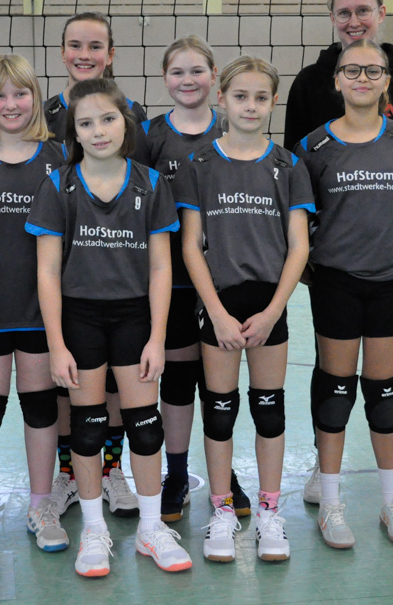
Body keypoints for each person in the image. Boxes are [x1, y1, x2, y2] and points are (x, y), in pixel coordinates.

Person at [285, 0, 393, 505]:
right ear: (333, 18)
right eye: (344, 12)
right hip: (334, 259)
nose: (354, 21)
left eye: (363, 11)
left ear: (381, 13)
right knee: (332, 367)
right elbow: (294, 174)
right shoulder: (310, 83)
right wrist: (305, 250)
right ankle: (323, 463)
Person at [27, 78, 192, 577]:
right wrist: (57, 345)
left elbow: (161, 266)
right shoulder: (59, 184)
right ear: (73, 133)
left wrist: (158, 338)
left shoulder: (151, 183)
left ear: (126, 124)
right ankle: (94, 529)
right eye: (86, 123)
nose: (98, 130)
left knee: (144, 425)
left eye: (108, 119)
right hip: (80, 318)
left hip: (134, 318)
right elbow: (47, 271)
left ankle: (150, 527)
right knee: (87, 426)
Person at [172, 56, 313, 563]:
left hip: (268, 304)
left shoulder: (288, 165)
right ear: (222, 100)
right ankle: (222, 510)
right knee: (220, 410)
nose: (250, 106)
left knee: (269, 407)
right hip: (220, 306)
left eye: (260, 97)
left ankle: (270, 512)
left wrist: (275, 311)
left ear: (272, 102)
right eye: (240, 96)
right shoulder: (200, 164)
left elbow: (299, 245)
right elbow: (191, 245)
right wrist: (215, 312)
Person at [294, 39, 393, 549]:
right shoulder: (313, 146)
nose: (362, 79)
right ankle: (331, 503)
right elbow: (303, 219)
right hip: (336, 281)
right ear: (337, 80)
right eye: (352, 71)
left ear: (386, 80)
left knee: (385, 393)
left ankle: (392, 502)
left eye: (373, 71)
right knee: (335, 393)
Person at [0, 55, 70, 563]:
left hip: (43, 314)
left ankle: (42, 505)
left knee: (42, 409)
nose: (11, 104)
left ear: (35, 98)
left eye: (20, 93)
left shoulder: (60, 158)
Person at [142, 37, 251, 522]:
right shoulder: (150, 136)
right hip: (170, 278)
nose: (188, 80)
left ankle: (225, 474)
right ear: (164, 78)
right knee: (179, 381)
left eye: (197, 71)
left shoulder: (233, 127)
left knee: (219, 385)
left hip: (226, 279)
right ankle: (178, 473)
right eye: (177, 72)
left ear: (214, 78)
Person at [44, 11, 146, 520]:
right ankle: (70, 474)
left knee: (115, 389)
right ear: (63, 51)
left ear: (111, 54)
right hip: (65, 274)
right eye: (75, 45)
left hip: (121, 278)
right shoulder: (42, 113)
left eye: (95, 46)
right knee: (70, 390)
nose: (85, 55)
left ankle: (112, 470)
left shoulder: (131, 112)